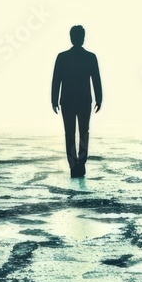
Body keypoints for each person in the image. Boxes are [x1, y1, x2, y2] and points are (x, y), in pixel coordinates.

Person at [51, 25, 102, 178]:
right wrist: (99, 98)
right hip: (84, 100)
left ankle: (74, 165)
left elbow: (56, 80)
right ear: (83, 38)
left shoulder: (62, 57)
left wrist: (54, 99)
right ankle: (81, 163)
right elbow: (96, 80)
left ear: (71, 38)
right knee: (84, 132)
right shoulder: (90, 57)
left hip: (67, 100)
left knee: (70, 133)